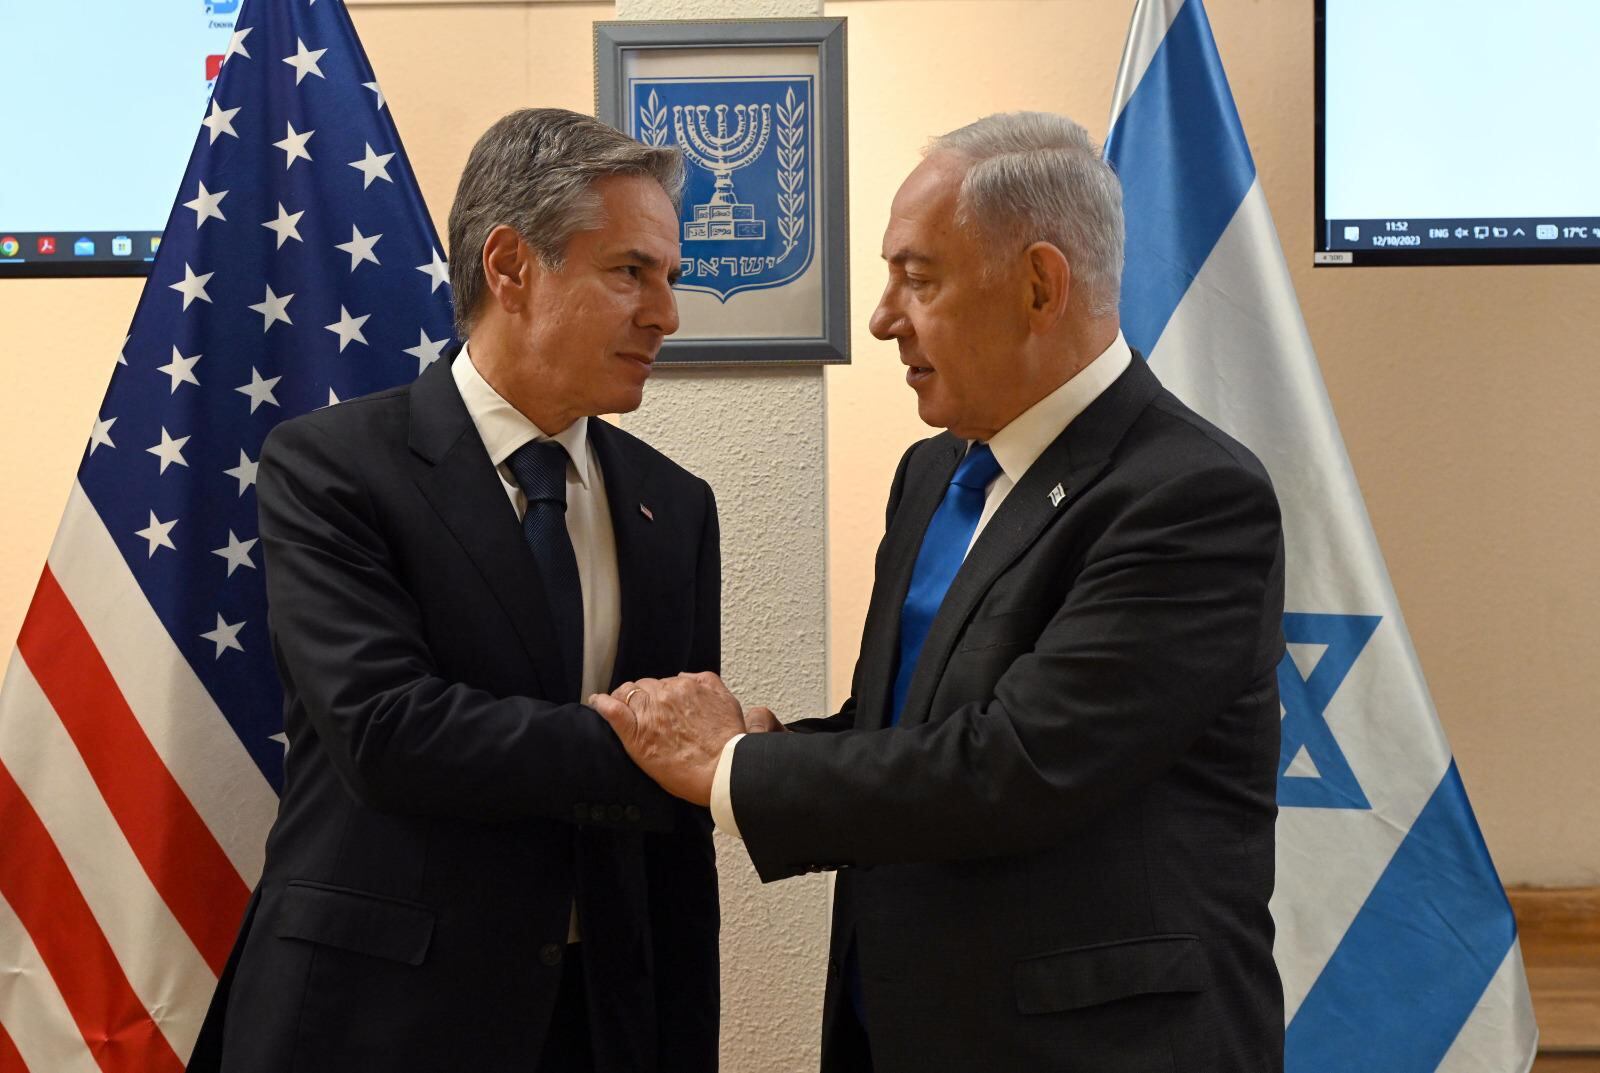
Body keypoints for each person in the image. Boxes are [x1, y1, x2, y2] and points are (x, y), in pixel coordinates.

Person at [594, 112, 1286, 1073]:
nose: (882, 317)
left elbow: (1016, 763)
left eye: (918, 279)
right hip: (902, 1026)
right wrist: (781, 744)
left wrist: (733, 768)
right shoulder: (934, 474)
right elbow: (922, 726)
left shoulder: (1189, 496)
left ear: (1041, 285)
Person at [189, 108, 721, 1073]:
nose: (666, 314)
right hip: (373, 1022)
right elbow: (389, 732)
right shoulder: (330, 469)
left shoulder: (673, 508)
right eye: (630, 272)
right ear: (511, 265)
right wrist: (659, 744)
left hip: (598, 1026)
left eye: (669, 278)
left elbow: (671, 841)